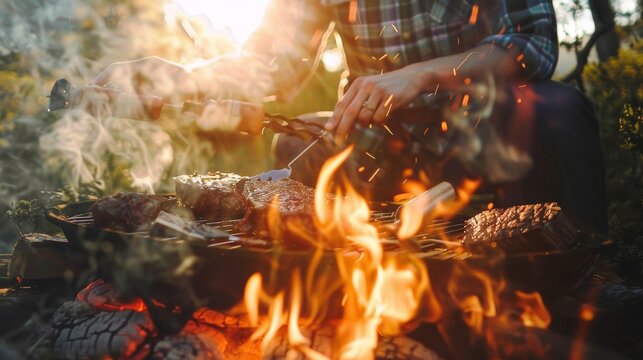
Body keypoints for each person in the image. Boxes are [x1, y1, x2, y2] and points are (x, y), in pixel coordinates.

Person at [93, 0, 607, 233]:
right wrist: (179, 76)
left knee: (554, 109)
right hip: (382, 148)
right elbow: (271, 64)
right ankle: (352, 285)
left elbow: (530, 43)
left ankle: (583, 277)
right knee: (294, 146)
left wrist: (421, 75)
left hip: (480, 137)